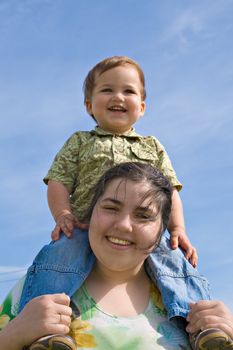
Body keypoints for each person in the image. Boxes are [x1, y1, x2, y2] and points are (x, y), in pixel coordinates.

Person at [18, 56, 211, 346]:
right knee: (57, 260)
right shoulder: (80, 142)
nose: (118, 97)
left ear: (142, 107)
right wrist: (63, 215)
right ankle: (43, 328)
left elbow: (170, 191)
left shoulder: (152, 146)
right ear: (89, 105)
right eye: (107, 90)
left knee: (177, 266)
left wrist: (178, 229)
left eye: (129, 91)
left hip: (144, 232)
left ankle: (200, 327)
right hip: (85, 226)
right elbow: (58, 181)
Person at [0, 163, 232, 350]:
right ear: (90, 214)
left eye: (143, 216)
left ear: (162, 231)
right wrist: (11, 337)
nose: (123, 225)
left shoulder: (194, 312)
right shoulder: (36, 293)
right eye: (111, 208)